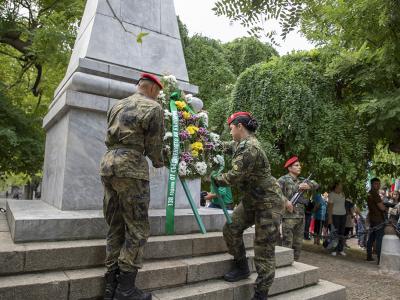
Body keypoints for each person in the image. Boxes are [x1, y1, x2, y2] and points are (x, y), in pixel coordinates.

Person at [99, 73, 165, 300]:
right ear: (154, 89)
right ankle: (125, 289)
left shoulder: (116, 105)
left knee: (115, 224)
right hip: (131, 168)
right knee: (136, 228)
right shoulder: (153, 108)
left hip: (108, 164)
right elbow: (154, 146)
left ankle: (111, 285)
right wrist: (161, 161)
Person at [213, 112, 285, 300]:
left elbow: (234, 176)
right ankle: (242, 267)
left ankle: (261, 294)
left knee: (264, 249)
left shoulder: (250, 148)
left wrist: (212, 178)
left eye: (231, 128)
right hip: (252, 200)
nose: (230, 132)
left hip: (268, 203)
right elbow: (227, 146)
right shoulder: (241, 144)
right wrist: (206, 144)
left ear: (239, 127)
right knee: (231, 228)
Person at [279, 156, 319, 261]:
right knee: (287, 243)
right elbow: (274, 192)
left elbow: (316, 184)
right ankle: (284, 264)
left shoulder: (303, 180)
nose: (299, 167)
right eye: (296, 165)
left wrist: (308, 186)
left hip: (301, 217)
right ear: (289, 168)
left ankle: (295, 264)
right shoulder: (283, 180)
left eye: (299, 165)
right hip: (288, 217)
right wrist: (286, 201)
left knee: (298, 244)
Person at [366, 178, 386, 263]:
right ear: (372, 184)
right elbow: (381, 207)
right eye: (376, 184)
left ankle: (369, 256)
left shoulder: (369, 193)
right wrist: (386, 209)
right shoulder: (374, 194)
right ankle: (379, 259)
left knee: (371, 238)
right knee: (379, 239)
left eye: (379, 184)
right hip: (378, 219)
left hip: (373, 218)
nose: (378, 185)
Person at [327, 182, 347, 256]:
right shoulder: (332, 194)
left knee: (342, 233)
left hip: (343, 215)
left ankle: (341, 249)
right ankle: (334, 249)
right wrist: (330, 218)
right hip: (335, 215)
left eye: (341, 187)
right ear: (335, 187)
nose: (340, 188)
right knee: (335, 233)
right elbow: (330, 207)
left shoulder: (342, 194)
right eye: (339, 187)